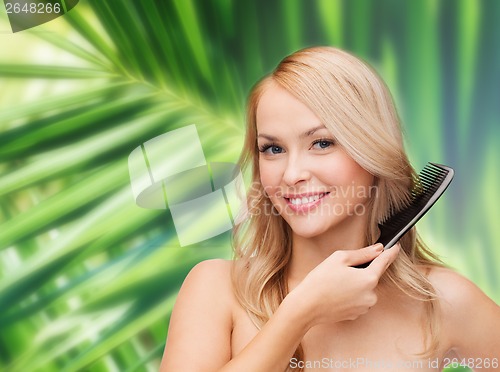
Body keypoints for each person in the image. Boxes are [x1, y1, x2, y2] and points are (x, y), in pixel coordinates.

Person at [160, 46, 500, 371]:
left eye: (322, 143)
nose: (292, 175)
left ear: (371, 150)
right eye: (273, 149)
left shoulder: (442, 300)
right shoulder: (218, 290)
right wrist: (300, 313)